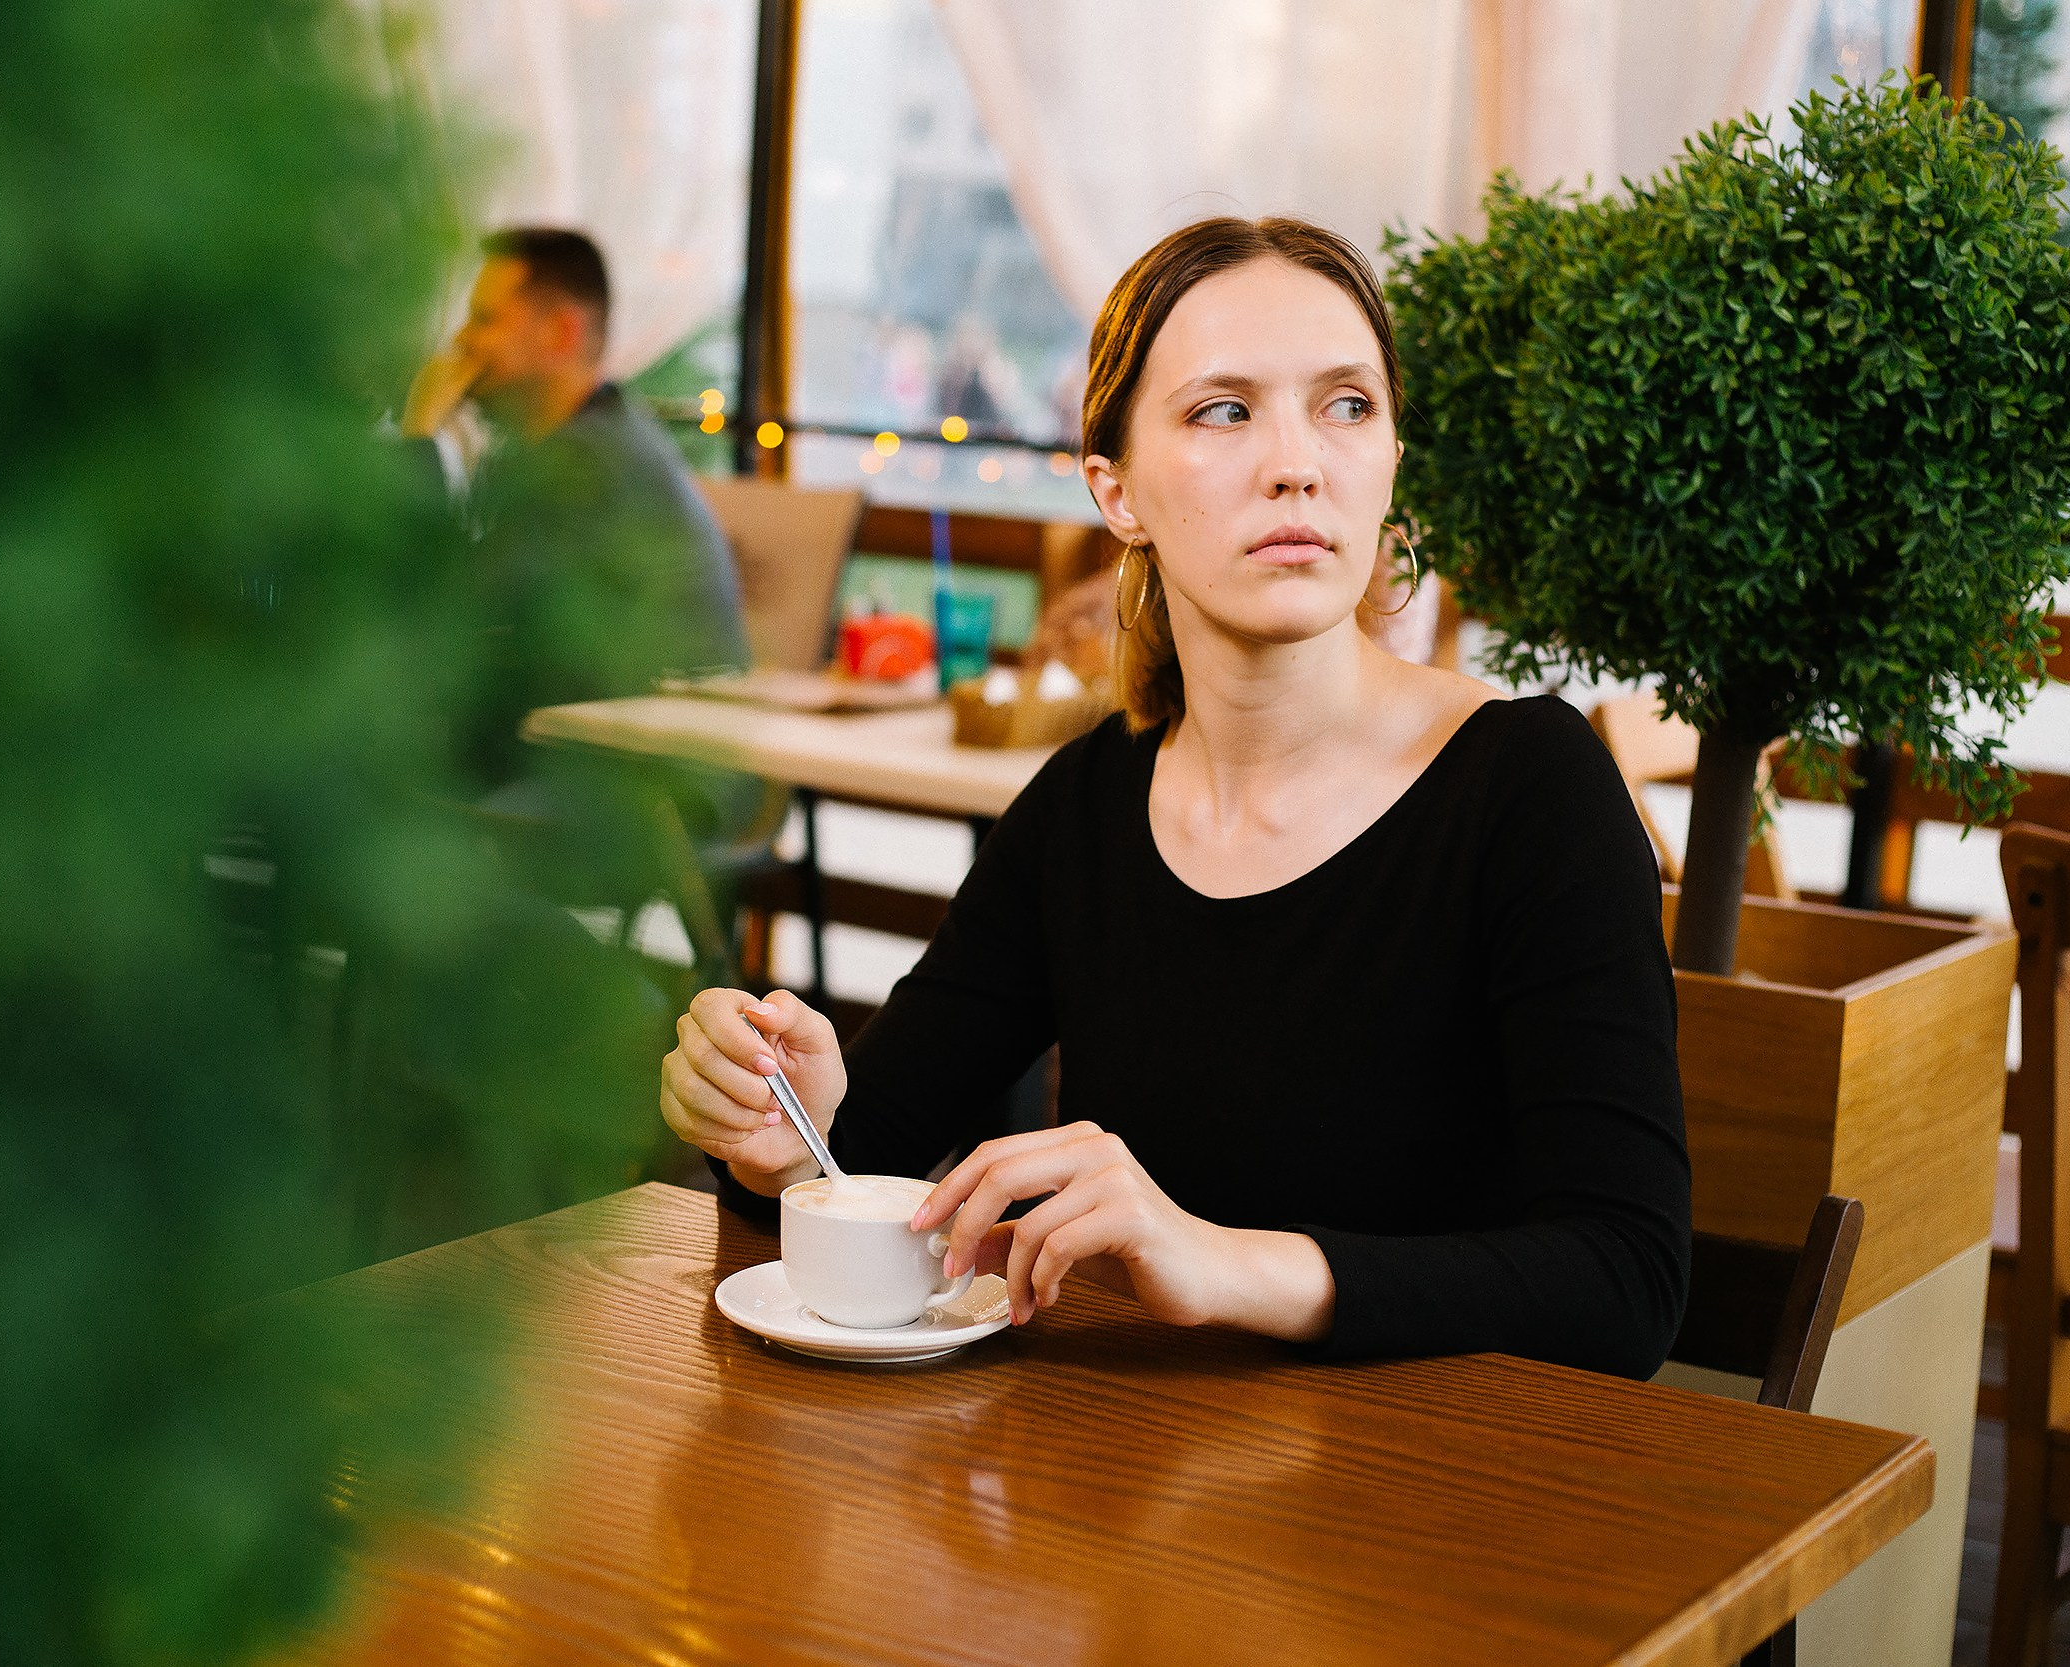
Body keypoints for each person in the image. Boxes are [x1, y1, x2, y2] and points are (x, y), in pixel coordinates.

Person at [657, 216, 1692, 1377]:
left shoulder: (1529, 788)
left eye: (1346, 404)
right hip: (1131, 1496)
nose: (1297, 459)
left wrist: (1213, 1261)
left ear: (1391, 456)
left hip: (1430, 1504)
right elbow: (859, 1159)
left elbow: (1624, 1283)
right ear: (1116, 490)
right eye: (1223, 410)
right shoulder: (1084, 808)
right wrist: (781, 1139)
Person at [404, 228, 750, 793]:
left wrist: (421, 441)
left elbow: (447, 620)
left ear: (561, 332)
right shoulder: (583, 443)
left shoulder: (591, 467)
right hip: (590, 761)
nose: (461, 343)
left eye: (484, 319)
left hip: (641, 794)